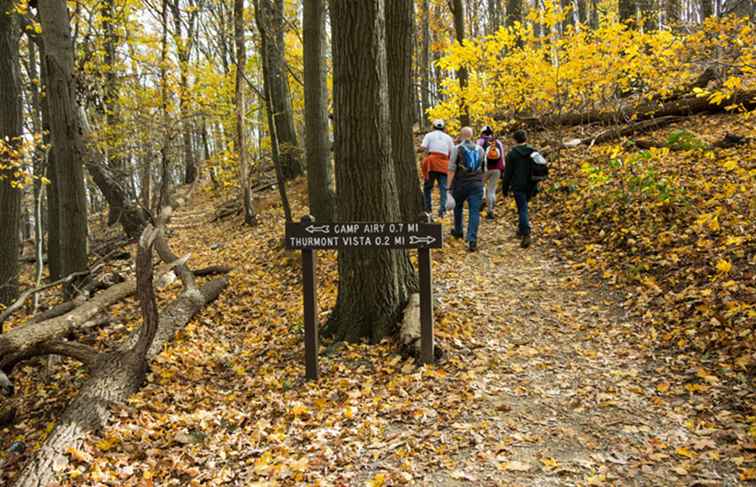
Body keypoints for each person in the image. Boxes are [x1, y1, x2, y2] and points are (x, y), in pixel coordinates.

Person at [448, 127, 485, 252]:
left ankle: (458, 231)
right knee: (474, 211)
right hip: (477, 185)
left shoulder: (456, 149)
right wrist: (482, 184)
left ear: (461, 135)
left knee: (457, 207)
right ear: (472, 135)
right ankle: (472, 239)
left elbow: (452, 169)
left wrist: (447, 187)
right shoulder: (480, 149)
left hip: (461, 184)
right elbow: (483, 169)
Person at [501, 129, 540, 248]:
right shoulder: (533, 152)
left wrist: (505, 188)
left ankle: (526, 233)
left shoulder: (512, 154)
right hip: (531, 184)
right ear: (526, 139)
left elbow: (507, 173)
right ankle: (520, 229)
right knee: (523, 207)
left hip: (518, 185)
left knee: (522, 208)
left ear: (514, 140)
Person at [420, 119, 455, 218]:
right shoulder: (448, 138)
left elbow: (423, 147)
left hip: (431, 163)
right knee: (443, 188)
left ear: (433, 127)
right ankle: (442, 211)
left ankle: (428, 210)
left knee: (427, 187)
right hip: (444, 164)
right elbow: (452, 152)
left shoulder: (429, 135)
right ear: (443, 128)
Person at [477, 126, 505, 221]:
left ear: (483, 133)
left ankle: (481, 203)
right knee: (492, 190)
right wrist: (502, 169)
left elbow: (477, 156)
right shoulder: (498, 142)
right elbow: (502, 157)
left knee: (480, 187)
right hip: (497, 169)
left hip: (484, 169)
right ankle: (490, 211)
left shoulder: (480, 141)